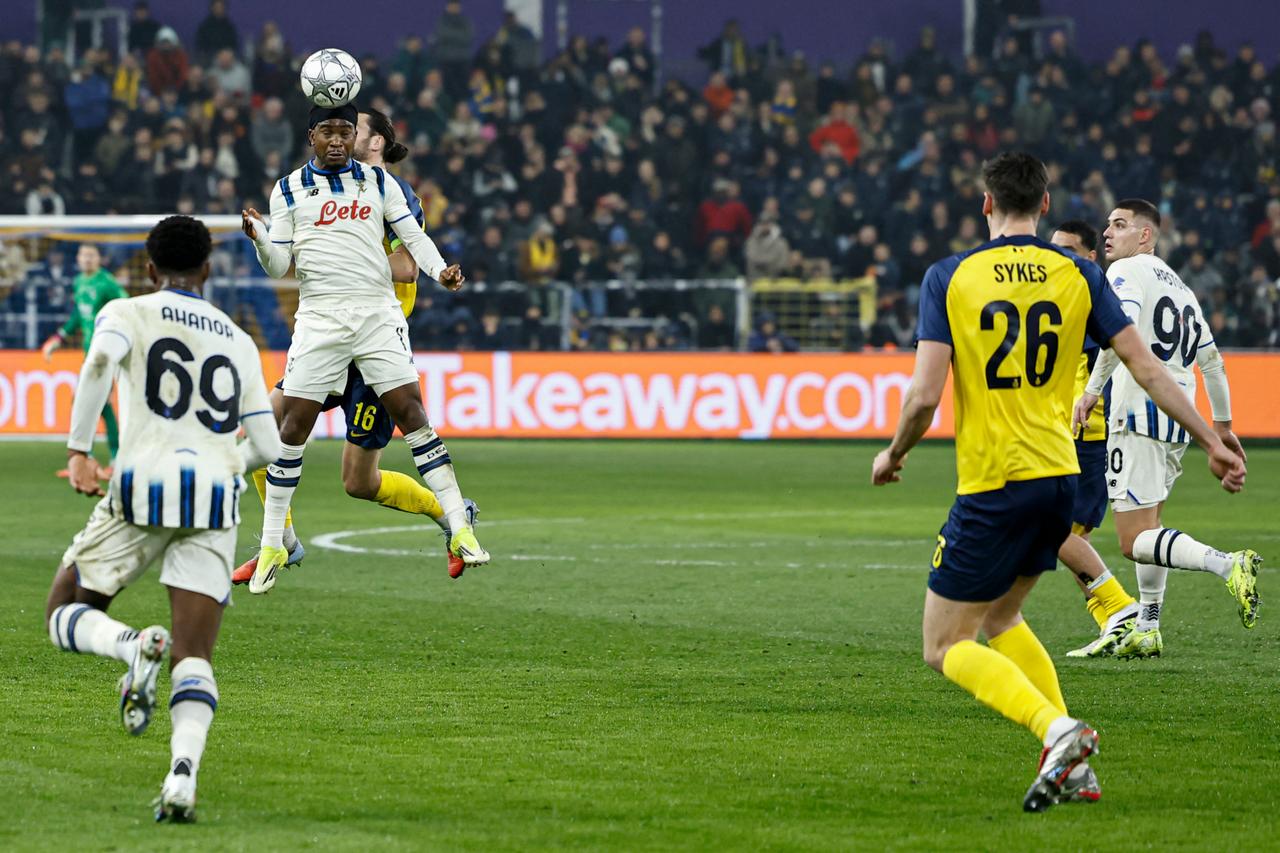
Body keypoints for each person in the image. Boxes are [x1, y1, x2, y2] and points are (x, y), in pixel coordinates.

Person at [871, 152, 1246, 811]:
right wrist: (1212, 438)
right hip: (1060, 480)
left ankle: (1057, 729)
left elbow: (924, 394)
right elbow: (1148, 367)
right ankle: (1070, 762)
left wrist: (895, 452)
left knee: (943, 644)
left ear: (986, 204)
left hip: (993, 482)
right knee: (1002, 613)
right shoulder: (1076, 271)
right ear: (1045, 206)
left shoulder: (949, 276)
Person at [44, 215, 279, 821]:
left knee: (66, 608)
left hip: (142, 483)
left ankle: (131, 648)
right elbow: (270, 446)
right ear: (206, 271)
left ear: (149, 270)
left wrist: (78, 450)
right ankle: (182, 778)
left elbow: (98, 364)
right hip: (213, 497)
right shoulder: (237, 338)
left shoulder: (126, 312)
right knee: (195, 656)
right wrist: (227, 462)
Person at [241, 103, 488, 594]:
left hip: (375, 330)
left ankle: (454, 518)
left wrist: (438, 271)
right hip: (324, 325)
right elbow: (279, 264)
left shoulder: (388, 188)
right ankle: (280, 541)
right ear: (312, 135)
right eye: (329, 132)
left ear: (367, 140)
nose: (341, 141)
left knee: (360, 481)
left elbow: (411, 258)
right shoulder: (291, 188)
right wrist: (263, 240)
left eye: (349, 132)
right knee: (268, 429)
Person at [1074, 200, 1260, 658]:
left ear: (1145, 236)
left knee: (1131, 539)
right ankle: (1149, 626)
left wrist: (1093, 391)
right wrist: (1222, 424)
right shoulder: (1183, 289)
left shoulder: (1125, 273)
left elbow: (1124, 336)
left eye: (1119, 225)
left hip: (1137, 410)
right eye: (1106, 226)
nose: (1107, 234)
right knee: (1150, 528)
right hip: (1177, 416)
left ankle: (1228, 564)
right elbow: (1212, 363)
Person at [1047, 220, 1140, 658]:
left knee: (1057, 533)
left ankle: (1122, 612)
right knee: (1069, 538)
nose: (1056, 257)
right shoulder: (1062, 299)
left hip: (1088, 434)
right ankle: (1114, 620)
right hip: (1066, 433)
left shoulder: (1088, 302)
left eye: (1067, 250)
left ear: (1089, 258)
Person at [42, 243, 128, 470]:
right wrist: (58, 339)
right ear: (78, 259)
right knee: (94, 403)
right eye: (83, 255)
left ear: (99, 258)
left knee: (97, 402)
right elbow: (78, 316)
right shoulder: (79, 282)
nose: (87, 259)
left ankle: (109, 458)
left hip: (107, 354)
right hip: (90, 353)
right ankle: (96, 457)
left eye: (91, 255)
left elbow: (126, 307)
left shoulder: (107, 282)